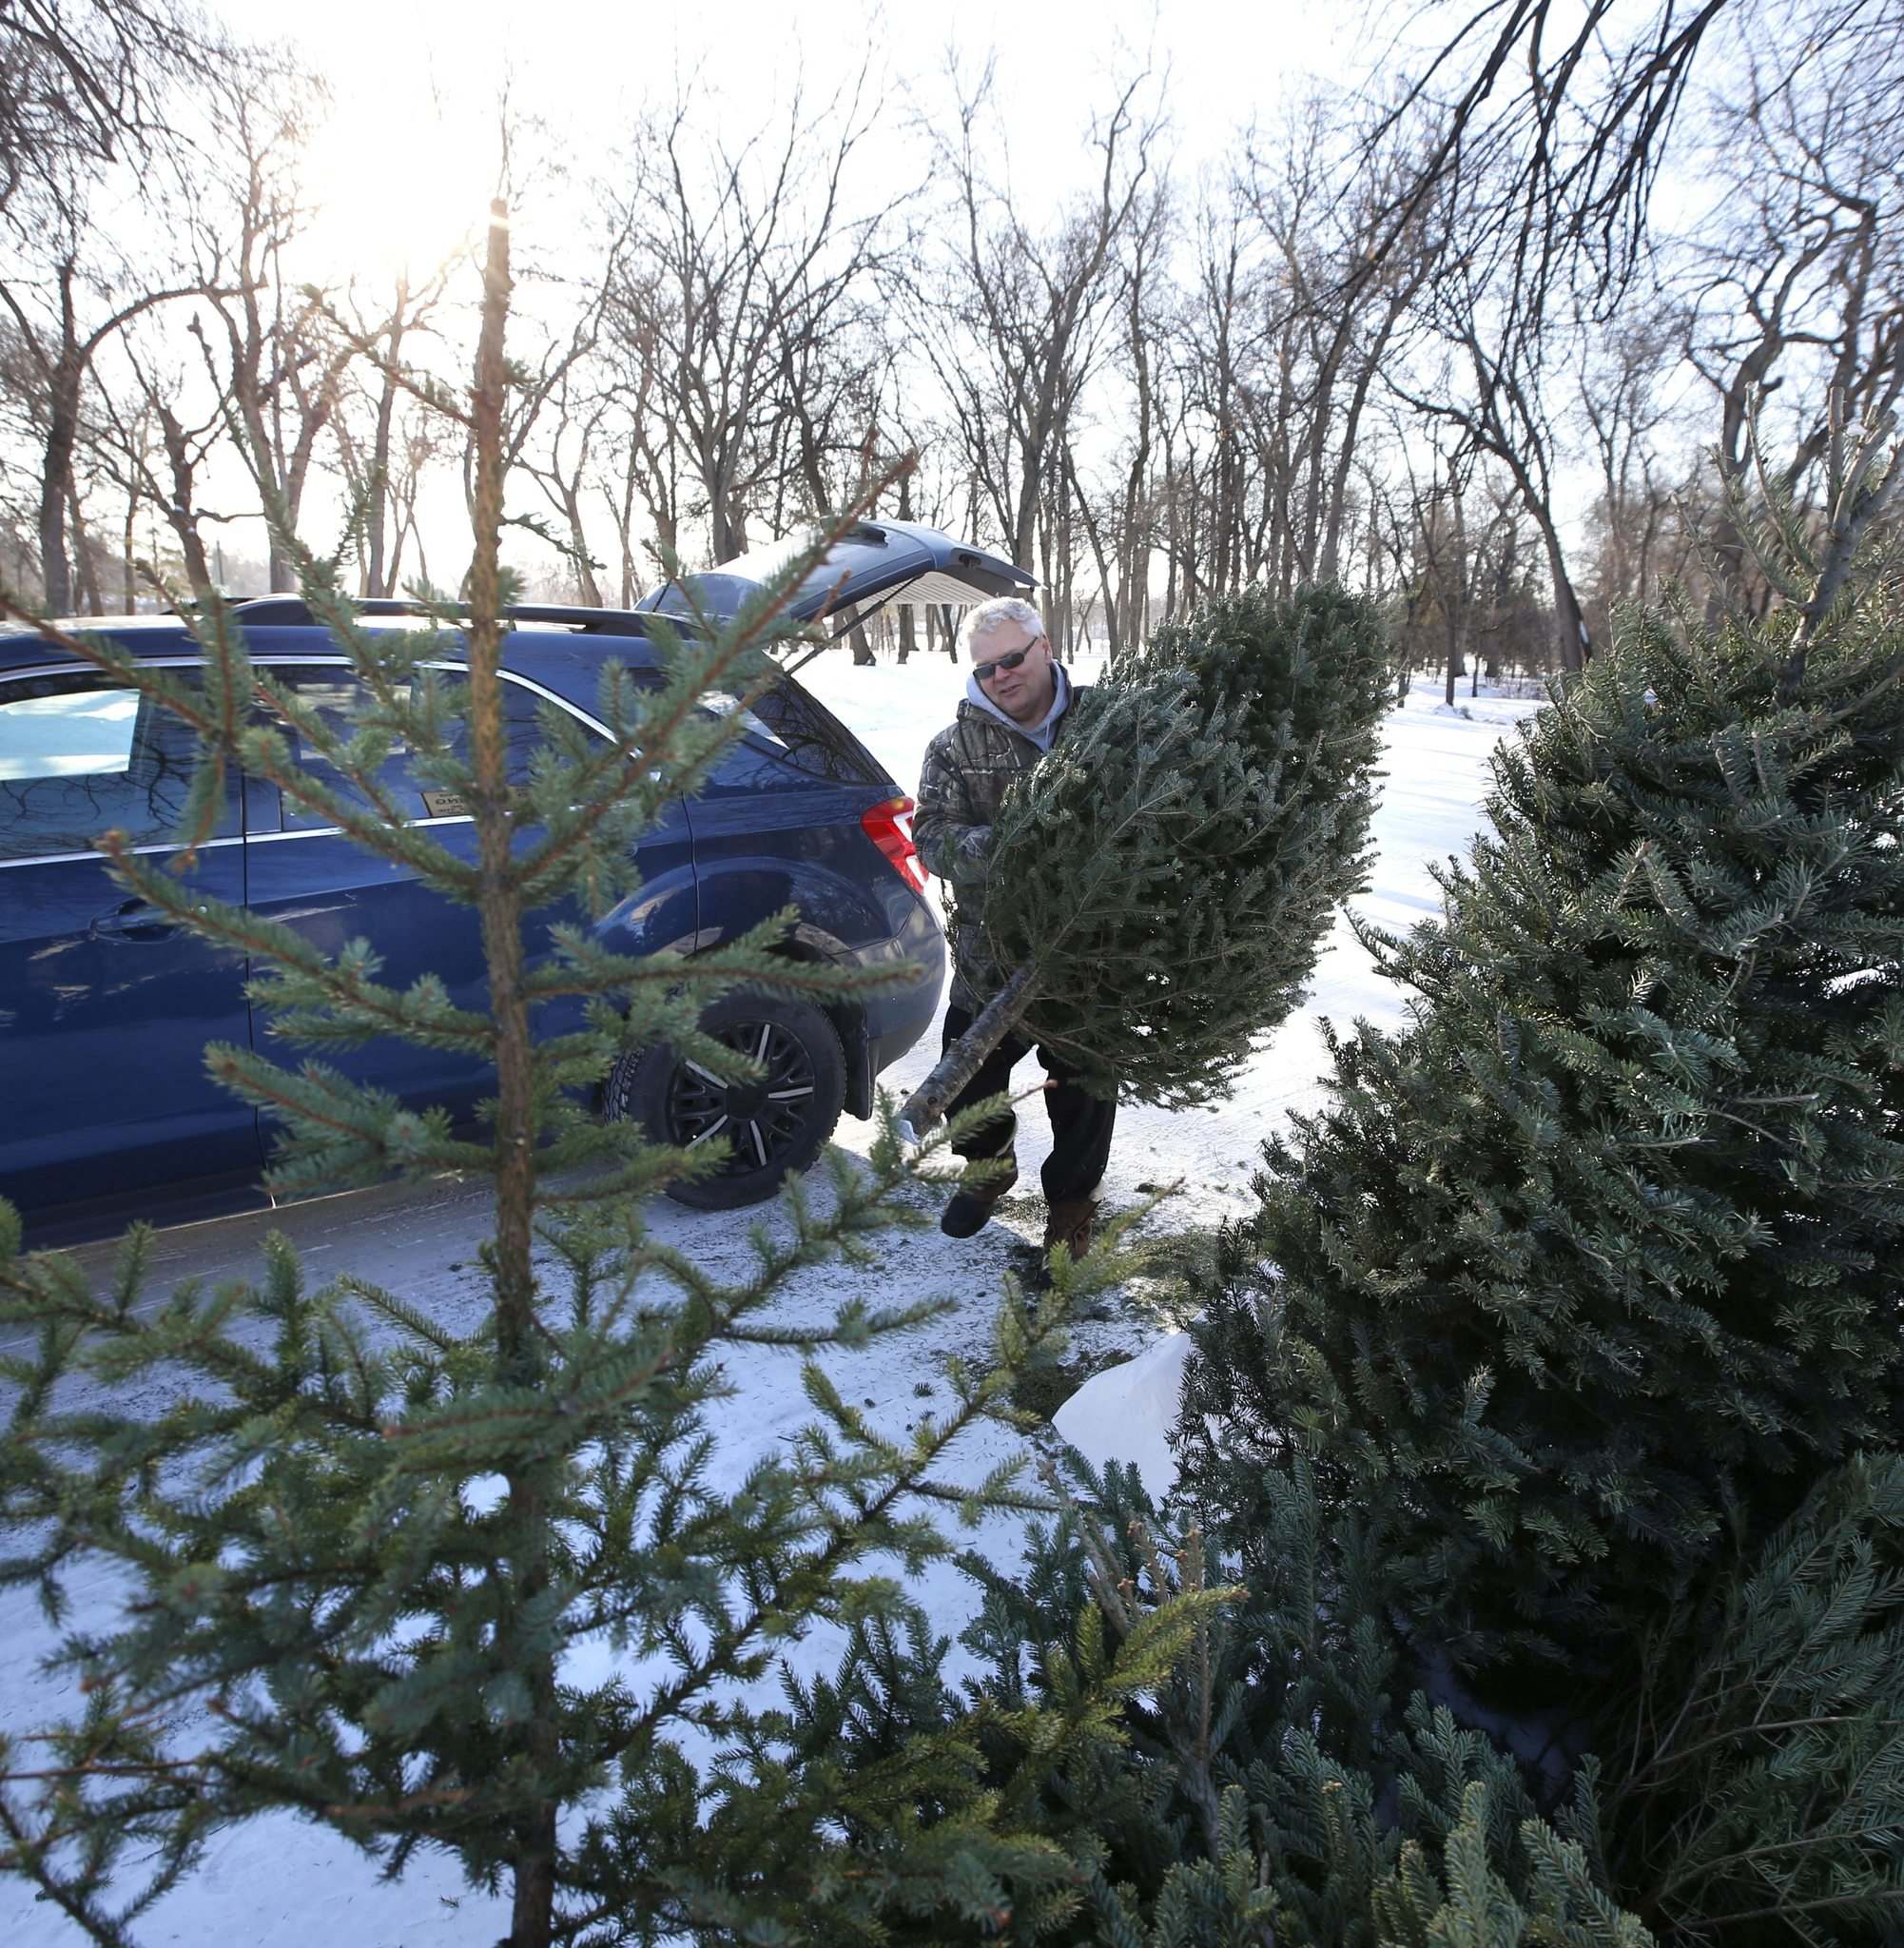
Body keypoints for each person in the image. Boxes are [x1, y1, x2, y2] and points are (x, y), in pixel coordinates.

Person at [912, 597, 1115, 1257]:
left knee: (1084, 1089)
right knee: (969, 1075)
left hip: (1088, 953)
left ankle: (1071, 1210)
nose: (1000, 674)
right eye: (986, 666)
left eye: (1012, 658)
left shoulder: (1109, 725)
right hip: (989, 951)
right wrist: (1008, 846)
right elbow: (932, 839)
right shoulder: (954, 747)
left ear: (1045, 646)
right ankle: (989, 1171)